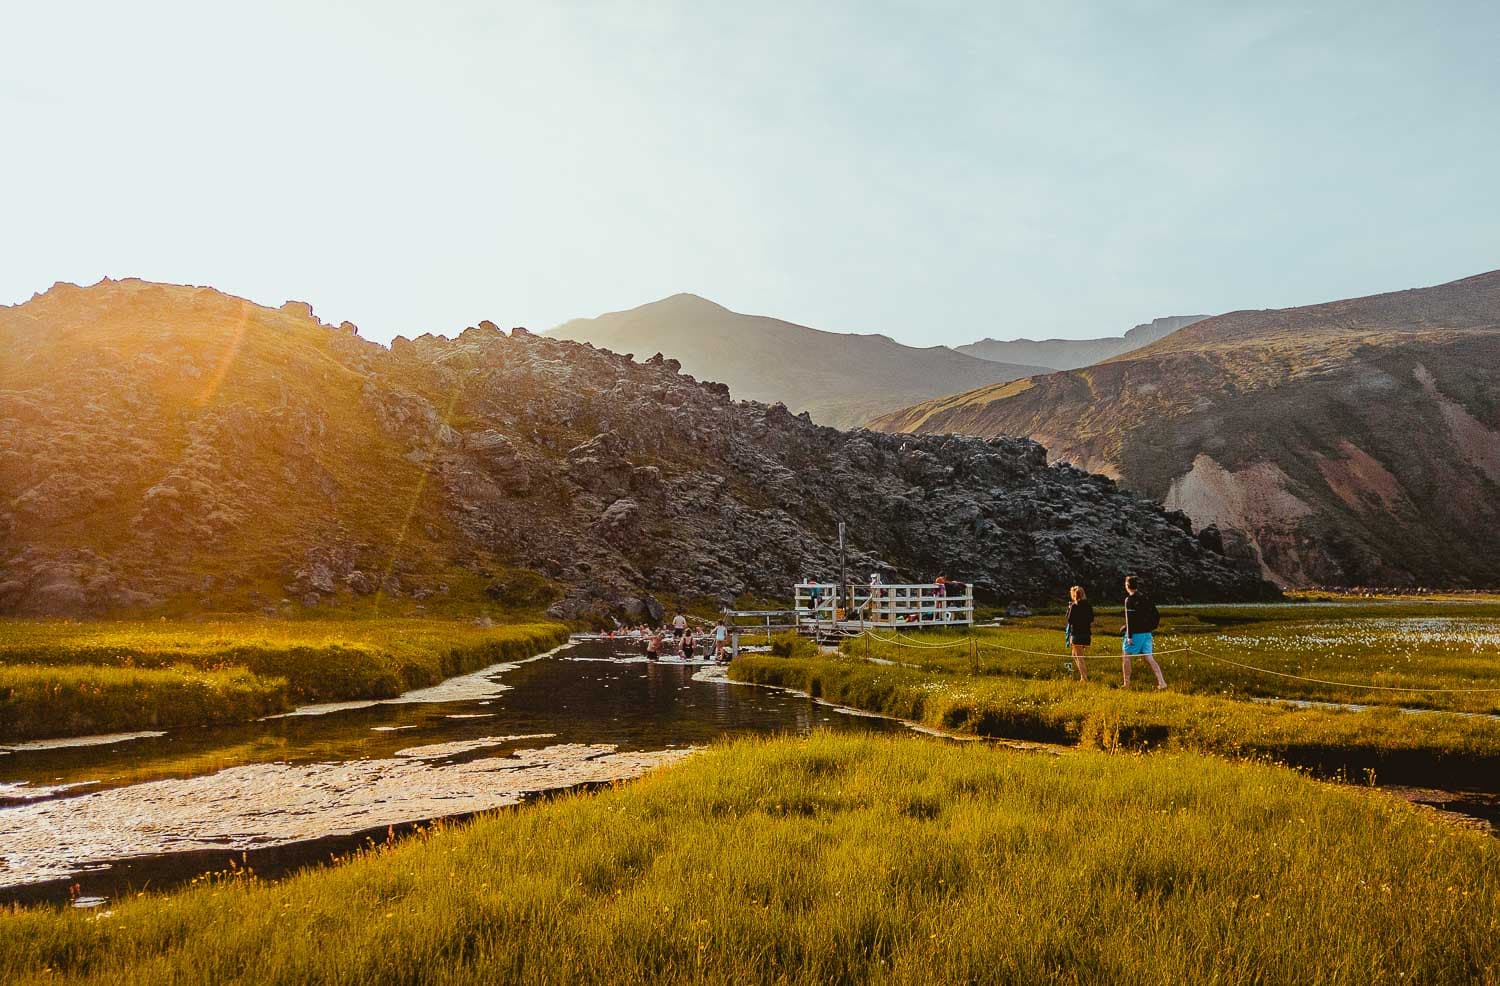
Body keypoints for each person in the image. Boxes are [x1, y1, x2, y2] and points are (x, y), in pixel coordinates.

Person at [1120, 575, 1167, 690]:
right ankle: (1162, 683)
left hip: (1135, 634)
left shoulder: (1129, 600)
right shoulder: (1146, 597)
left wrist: (1129, 636)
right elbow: (1155, 614)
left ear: (1127, 586)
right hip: (1147, 633)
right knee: (1149, 658)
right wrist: (1150, 627)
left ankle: (1126, 684)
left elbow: (1130, 618)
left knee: (1126, 657)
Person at [1063, 585, 1094, 682]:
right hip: (1086, 634)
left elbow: (1069, 619)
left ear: (1074, 595)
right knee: (1074, 654)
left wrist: (1069, 609)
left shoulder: (1074, 606)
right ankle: (1082, 676)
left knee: (1079, 656)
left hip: (1076, 634)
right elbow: (1091, 619)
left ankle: (1084, 678)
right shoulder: (1088, 605)